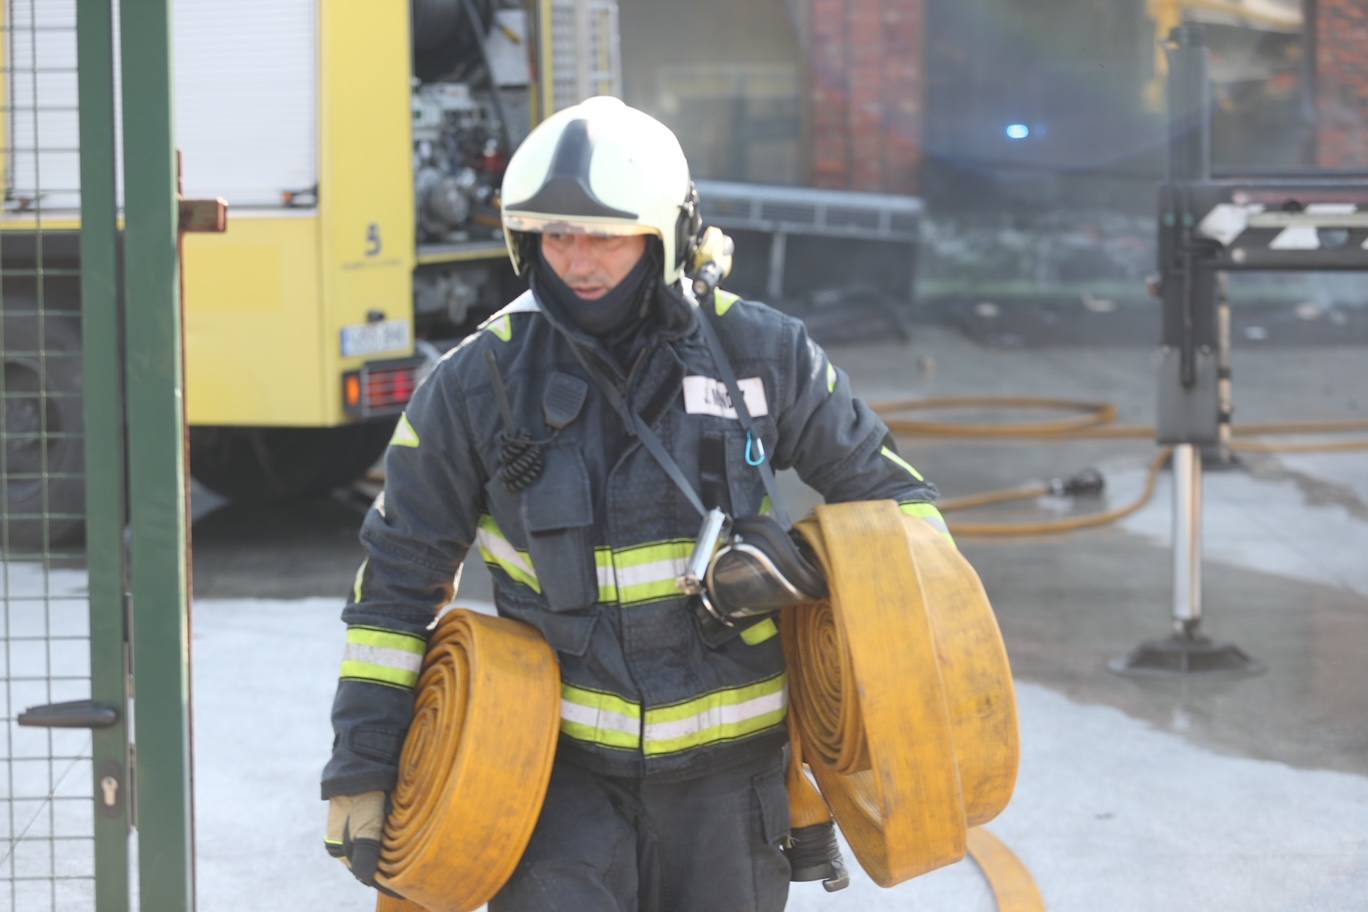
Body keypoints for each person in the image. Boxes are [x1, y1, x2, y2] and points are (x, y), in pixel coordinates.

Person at [322, 96, 948, 912]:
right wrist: (363, 768)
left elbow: (901, 505)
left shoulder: (763, 353)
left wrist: (817, 569)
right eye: (557, 236)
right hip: (552, 787)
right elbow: (396, 588)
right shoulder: (475, 386)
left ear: (669, 236)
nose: (579, 261)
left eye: (607, 236)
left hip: (734, 793)